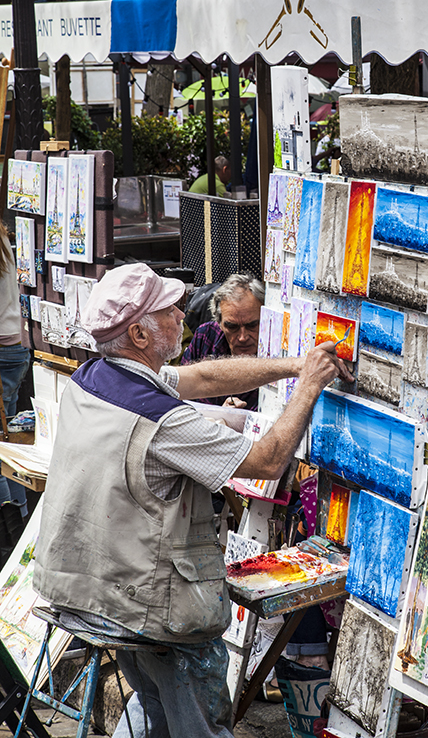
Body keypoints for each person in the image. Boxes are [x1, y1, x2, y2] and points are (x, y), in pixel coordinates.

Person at [33, 263, 352, 738]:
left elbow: (201, 378)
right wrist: (308, 386)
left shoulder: (95, 376)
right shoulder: (160, 419)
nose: (182, 314)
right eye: (169, 309)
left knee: (154, 710)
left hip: (96, 591)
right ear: (139, 334)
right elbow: (267, 461)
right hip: (147, 608)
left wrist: (293, 365)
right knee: (196, 723)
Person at [181, 273, 264, 410]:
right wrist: (220, 413)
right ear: (219, 323)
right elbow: (180, 395)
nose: (242, 337)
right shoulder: (205, 337)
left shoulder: (276, 350)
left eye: (252, 326)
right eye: (232, 327)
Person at [0, 224, 30, 523]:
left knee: (3, 441)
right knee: (6, 438)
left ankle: (11, 526)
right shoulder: (5, 240)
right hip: (16, 344)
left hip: (4, 348)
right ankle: (17, 520)